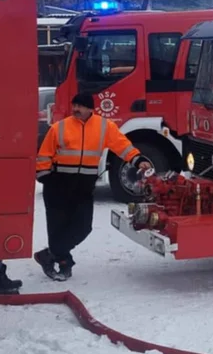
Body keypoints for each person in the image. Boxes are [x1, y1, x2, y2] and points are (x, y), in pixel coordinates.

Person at [34, 92, 153, 281]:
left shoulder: (104, 127)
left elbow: (122, 146)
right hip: (58, 186)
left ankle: (48, 254)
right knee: (58, 227)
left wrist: (138, 160)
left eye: (80, 106)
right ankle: (63, 262)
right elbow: (44, 155)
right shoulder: (60, 127)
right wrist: (45, 177)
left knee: (82, 227)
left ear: (91, 109)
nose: (76, 109)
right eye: (74, 105)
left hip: (83, 188)